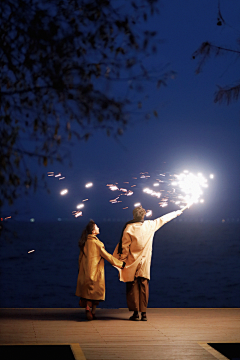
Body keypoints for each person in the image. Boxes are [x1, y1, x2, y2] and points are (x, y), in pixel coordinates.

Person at [113, 205, 188, 321]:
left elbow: (125, 247)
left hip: (132, 261)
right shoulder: (150, 225)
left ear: (134, 215)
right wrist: (177, 213)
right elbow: (164, 219)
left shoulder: (128, 228)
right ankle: (144, 313)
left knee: (132, 287)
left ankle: (136, 313)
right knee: (144, 285)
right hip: (144, 262)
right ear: (144, 215)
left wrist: (121, 261)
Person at [76, 219, 125, 320]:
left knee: (88, 293)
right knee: (95, 293)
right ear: (93, 231)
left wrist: (80, 271)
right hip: (95, 273)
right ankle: (91, 311)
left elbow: (80, 259)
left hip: (85, 272)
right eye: (96, 227)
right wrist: (121, 264)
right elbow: (108, 257)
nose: (98, 228)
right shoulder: (97, 244)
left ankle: (89, 310)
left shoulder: (84, 242)